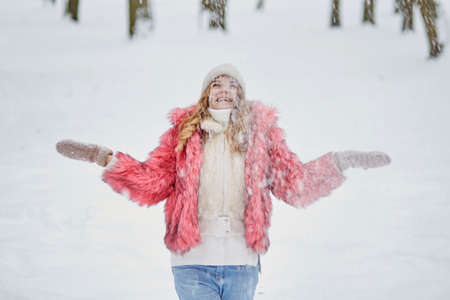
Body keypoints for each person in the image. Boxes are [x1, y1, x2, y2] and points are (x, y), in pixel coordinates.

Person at [56, 63, 391, 300]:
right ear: (206, 94)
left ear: (241, 95)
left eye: (232, 85)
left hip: (242, 264)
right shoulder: (183, 136)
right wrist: (106, 158)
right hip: (192, 262)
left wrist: (339, 162)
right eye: (217, 84)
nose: (224, 90)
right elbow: (153, 182)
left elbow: (294, 182)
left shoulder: (260, 137)